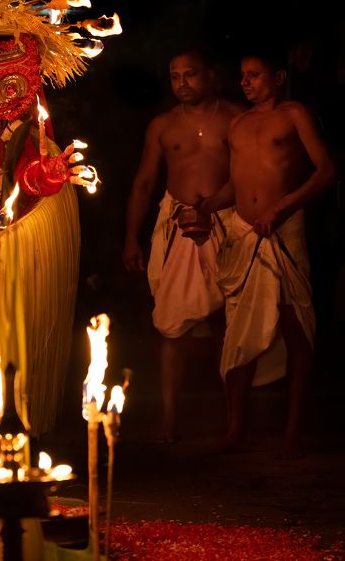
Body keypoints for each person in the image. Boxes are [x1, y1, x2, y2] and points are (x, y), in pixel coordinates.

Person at [198, 45, 335, 459]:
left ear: (277, 77)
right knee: (237, 331)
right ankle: (235, 428)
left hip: (284, 229)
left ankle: (292, 430)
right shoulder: (238, 124)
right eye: (242, 74)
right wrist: (203, 209)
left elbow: (327, 171)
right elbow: (233, 185)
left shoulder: (295, 114)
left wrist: (281, 207)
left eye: (254, 74)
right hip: (244, 231)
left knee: (295, 324)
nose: (245, 81)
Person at [123, 48, 244, 442]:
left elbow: (249, 174)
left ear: (210, 75)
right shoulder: (163, 125)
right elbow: (144, 182)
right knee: (172, 326)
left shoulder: (236, 118)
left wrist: (215, 207)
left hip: (225, 221)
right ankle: (170, 422)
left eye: (190, 74)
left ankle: (233, 423)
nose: (182, 83)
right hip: (177, 223)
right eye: (175, 76)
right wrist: (131, 238)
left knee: (228, 323)